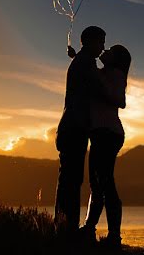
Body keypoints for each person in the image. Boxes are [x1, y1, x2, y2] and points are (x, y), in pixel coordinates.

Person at [54, 25, 105, 233]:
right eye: (101, 42)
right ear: (90, 42)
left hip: (70, 126)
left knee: (69, 178)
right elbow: (99, 87)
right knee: (72, 180)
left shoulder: (81, 61)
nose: (103, 47)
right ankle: (67, 229)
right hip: (75, 127)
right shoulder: (86, 63)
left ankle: (63, 227)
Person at [80, 44, 130, 248]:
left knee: (105, 183)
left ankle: (114, 236)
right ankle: (90, 228)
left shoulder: (116, 74)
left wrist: (100, 85)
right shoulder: (104, 72)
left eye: (109, 51)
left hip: (108, 133)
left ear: (115, 59)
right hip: (102, 133)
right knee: (97, 183)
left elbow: (120, 101)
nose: (104, 51)